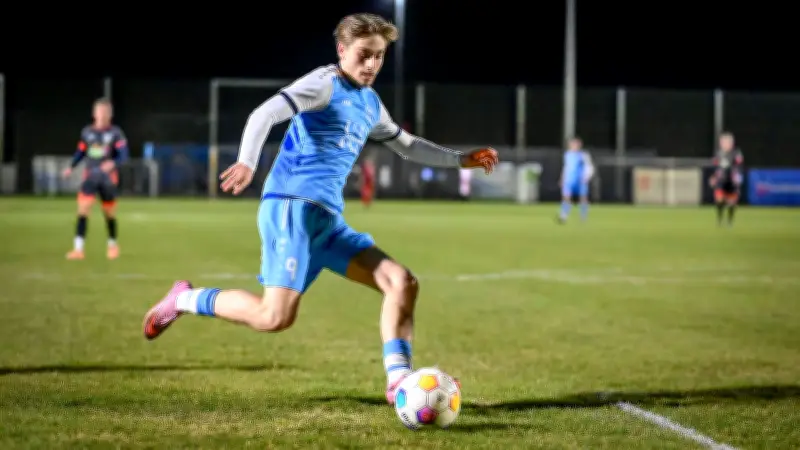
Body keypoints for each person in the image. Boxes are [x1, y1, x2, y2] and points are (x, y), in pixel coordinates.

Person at [142, 13, 498, 405]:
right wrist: (247, 161)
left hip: (327, 221)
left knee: (402, 283)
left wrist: (461, 159)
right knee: (273, 318)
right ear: (342, 50)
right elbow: (264, 114)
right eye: (364, 54)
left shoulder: (370, 102)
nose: (372, 64)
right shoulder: (324, 83)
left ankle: (398, 382)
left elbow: (407, 145)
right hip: (292, 209)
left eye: (379, 56)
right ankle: (183, 300)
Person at [62, 98, 128, 260]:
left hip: (108, 179)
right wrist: (71, 167)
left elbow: (124, 155)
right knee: (83, 210)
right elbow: (81, 152)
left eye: (105, 112)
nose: (102, 115)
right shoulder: (87, 133)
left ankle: (113, 245)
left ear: (110, 115)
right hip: (90, 177)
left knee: (109, 214)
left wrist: (113, 163)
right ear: (94, 113)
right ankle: (78, 249)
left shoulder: (116, 133)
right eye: (100, 111)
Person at [709, 132, 744, 227]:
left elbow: (739, 166)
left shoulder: (736, 153)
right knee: (719, 200)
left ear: (731, 143)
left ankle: (729, 220)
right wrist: (713, 177)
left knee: (731, 203)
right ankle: (720, 219)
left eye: (726, 142)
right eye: (722, 142)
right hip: (721, 180)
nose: (724, 144)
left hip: (731, 181)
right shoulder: (718, 153)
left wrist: (737, 177)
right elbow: (715, 167)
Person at [557, 136, 594, 223]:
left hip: (580, 181)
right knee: (566, 197)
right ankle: (564, 215)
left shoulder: (583, 155)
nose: (574, 146)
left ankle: (583, 216)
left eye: (575, 144)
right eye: (572, 144)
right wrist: (562, 178)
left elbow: (589, 167)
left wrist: (587, 177)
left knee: (583, 198)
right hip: (569, 180)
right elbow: (566, 167)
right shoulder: (567, 155)